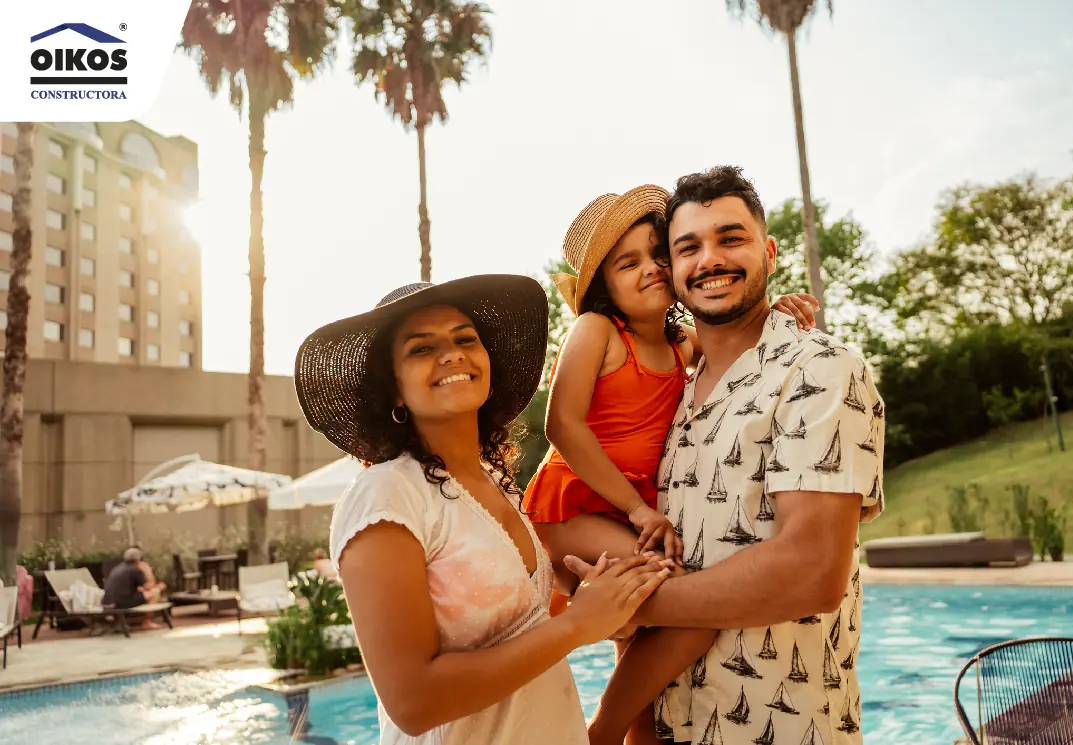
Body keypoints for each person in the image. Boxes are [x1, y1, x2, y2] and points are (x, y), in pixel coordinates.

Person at [567, 166, 886, 745]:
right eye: (687, 247)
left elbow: (812, 573)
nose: (709, 259)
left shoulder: (819, 369)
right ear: (674, 271)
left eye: (730, 238)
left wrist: (622, 606)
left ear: (767, 250)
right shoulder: (677, 388)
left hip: (780, 726)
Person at [294, 274, 672, 745]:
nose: (451, 353)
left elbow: (519, 632)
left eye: (464, 339)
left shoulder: (496, 485)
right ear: (393, 390)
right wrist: (578, 626)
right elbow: (413, 702)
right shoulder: (387, 494)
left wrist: (598, 602)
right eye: (420, 348)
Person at [522, 187, 818, 744]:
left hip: (633, 510)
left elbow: (739, 336)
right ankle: (598, 734)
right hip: (572, 507)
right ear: (602, 287)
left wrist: (774, 311)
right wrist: (636, 509)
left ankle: (632, 734)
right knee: (693, 603)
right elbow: (562, 426)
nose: (651, 269)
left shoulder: (683, 344)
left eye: (658, 255)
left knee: (644, 665)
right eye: (626, 263)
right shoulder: (598, 332)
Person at [103, 548, 165, 630]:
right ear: (138, 559)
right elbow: (147, 587)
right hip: (121, 603)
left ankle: (121, 622)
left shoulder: (116, 568)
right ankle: (147, 622)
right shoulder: (135, 569)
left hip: (107, 602)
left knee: (145, 593)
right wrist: (159, 586)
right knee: (155, 592)